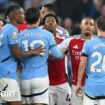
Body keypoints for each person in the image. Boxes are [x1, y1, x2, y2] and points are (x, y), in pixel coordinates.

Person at [0, 5, 44, 105]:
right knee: (16, 103)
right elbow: (17, 54)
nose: (24, 16)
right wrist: (33, 51)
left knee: (7, 102)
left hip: (3, 72)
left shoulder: (5, 29)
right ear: (16, 16)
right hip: (7, 74)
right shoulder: (12, 30)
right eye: (22, 13)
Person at [19, 7, 63, 105]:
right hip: (41, 78)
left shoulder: (20, 36)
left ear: (25, 19)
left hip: (24, 78)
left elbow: (17, 57)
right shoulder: (47, 35)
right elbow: (58, 55)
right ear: (40, 19)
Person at [58, 17, 95, 105]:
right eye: (86, 24)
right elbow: (54, 51)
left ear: (94, 28)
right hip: (76, 85)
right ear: (80, 26)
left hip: (93, 86)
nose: (88, 26)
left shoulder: (98, 43)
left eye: (91, 24)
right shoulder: (71, 41)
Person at [43, 14, 71, 105]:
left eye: (52, 21)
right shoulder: (39, 42)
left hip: (62, 83)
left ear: (57, 25)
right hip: (46, 84)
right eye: (47, 21)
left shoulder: (64, 41)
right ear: (43, 26)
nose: (50, 23)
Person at [76, 16, 105, 105]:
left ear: (96, 26)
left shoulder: (88, 43)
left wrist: (78, 82)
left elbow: (82, 64)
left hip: (91, 87)